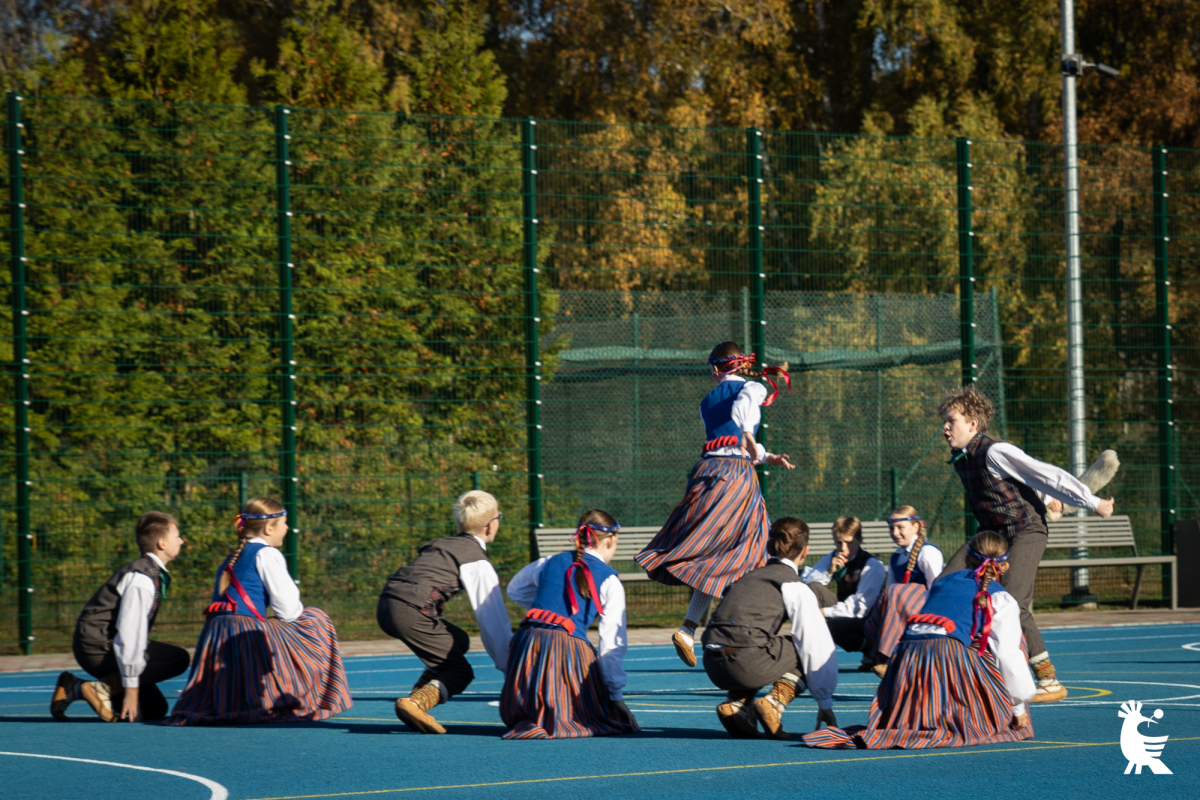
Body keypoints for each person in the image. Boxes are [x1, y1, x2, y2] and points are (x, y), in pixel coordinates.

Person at [939, 385, 1114, 703]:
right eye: (945, 421)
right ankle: (952, 671)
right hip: (991, 534)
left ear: (973, 424)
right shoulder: (963, 457)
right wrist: (1048, 499)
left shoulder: (995, 451)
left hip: (1025, 531)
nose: (945, 427)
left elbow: (1046, 475)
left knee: (1011, 602)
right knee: (945, 584)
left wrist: (1093, 501)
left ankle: (1048, 680)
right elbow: (1021, 484)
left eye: (951, 420)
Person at [636, 341, 794, 667]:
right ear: (741, 364)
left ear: (716, 368)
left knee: (715, 554)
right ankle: (734, 628)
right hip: (735, 475)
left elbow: (724, 438)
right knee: (755, 549)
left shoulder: (706, 402)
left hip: (706, 471)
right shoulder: (752, 387)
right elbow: (742, 415)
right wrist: (750, 437)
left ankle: (688, 627)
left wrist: (766, 456)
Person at [802, 531, 1036, 749]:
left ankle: (921, 715)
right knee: (1014, 643)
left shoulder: (944, 581)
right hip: (946, 653)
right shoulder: (1002, 598)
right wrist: (1017, 707)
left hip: (904, 655)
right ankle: (965, 714)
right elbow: (1007, 654)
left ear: (966, 559)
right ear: (1004, 566)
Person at [164, 498, 352, 725]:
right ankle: (317, 693)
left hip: (215, 635)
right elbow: (289, 610)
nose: (287, 529)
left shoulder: (232, 558)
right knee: (316, 618)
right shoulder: (267, 554)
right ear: (269, 527)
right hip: (244, 631)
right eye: (284, 523)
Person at [376, 489, 512, 734]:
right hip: (410, 610)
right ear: (490, 526)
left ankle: (419, 694)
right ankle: (417, 702)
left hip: (386, 603)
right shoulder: (477, 561)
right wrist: (508, 667)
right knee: (460, 672)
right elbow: (492, 621)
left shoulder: (443, 544)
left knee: (458, 640)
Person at [502, 510, 639, 739]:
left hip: (526, 642)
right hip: (564, 647)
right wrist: (616, 698)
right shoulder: (610, 580)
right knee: (593, 714)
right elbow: (611, 644)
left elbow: (515, 589)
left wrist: (544, 612)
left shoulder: (548, 561)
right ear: (612, 539)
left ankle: (531, 712)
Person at [701, 517, 838, 740]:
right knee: (802, 645)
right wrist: (825, 703)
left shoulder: (747, 577)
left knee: (763, 644)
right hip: (747, 662)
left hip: (712, 663)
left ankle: (737, 705)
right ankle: (774, 703)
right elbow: (815, 644)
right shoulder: (794, 585)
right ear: (805, 551)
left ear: (769, 546)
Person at [51, 511, 190, 722]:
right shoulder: (142, 579)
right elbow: (130, 635)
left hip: (96, 646)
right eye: (177, 536)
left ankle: (75, 687)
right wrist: (131, 690)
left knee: (154, 709)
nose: (181, 540)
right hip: (99, 647)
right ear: (161, 543)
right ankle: (103, 687)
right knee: (178, 658)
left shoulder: (148, 572)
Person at [860, 506, 943, 675]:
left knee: (897, 592)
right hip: (900, 607)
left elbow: (937, 587)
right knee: (889, 594)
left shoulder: (927, 552)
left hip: (923, 607)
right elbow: (890, 589)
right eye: (892, 528)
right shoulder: (896, 556)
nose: (895, 533)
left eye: (900, 528)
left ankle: (887, 656)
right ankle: (873, 649)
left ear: (916, 527)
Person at [800, 517, 886, 656]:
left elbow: (859, 609)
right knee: (813, 587)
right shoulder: (833, 557)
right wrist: (828, 572)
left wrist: (822, 612)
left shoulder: (872, 565)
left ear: (859, 539)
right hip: (842, 610)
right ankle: (806, 651)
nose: (843, 548)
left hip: (867, 620)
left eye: (849, 542)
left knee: (831, 627)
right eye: (839, 543)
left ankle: (870, 646)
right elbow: (803, 583)